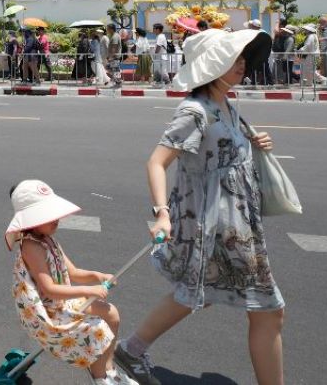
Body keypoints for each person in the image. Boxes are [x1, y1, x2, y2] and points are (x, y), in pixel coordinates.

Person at [115, 28, 284, 385]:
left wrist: (253, 141)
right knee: (269, 311)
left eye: (242, 58)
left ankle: (131, 349)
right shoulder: (195, 111)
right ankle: (130, 349)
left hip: (234, 224)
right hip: (214, 227)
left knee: (198, 292)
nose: (240, 64)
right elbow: (156, 162)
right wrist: (162, 214)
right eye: (231, 59)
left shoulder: (227, 105)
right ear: (211, 66)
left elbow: (222, 155)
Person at [6, 180, 129, 385]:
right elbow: (50, 290)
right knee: (98, 329)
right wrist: (91, 290)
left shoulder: (49, 239)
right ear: (31, 220)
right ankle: (100, 379)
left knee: (112, 314)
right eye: (48, 216)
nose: (56, 219)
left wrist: (99, 276)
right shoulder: (31, 246)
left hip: (62, 302)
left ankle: (107, 368)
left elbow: (73, 272)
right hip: (49, 312)